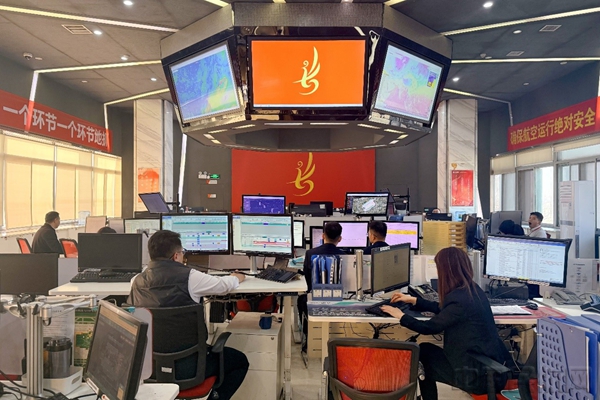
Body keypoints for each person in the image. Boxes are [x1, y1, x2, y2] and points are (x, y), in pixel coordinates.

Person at [127, 230, 248, 400]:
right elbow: (224, 286)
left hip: (150, 370)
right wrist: (236, 277)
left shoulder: (136, 282)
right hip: (191, 369)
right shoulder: (191, 277)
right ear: (176, 255)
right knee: (240, 362)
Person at [381, 247, 510, 400]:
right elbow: (445, 309)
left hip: (475, 377)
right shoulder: (472, 290)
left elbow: (429, 328)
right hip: (486, 368)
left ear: (446, 271)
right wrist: (414, 300)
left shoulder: (460, 300)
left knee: (422, 355)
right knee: (425, 351)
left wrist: (400, 315)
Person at [298, 222, 345, 353]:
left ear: (323, 235)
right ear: (340, 239)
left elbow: (307, 279)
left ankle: (308, 336)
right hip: (338, 299)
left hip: (315, 298)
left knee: (301, 300)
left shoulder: (310, 253)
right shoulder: (345, 255)